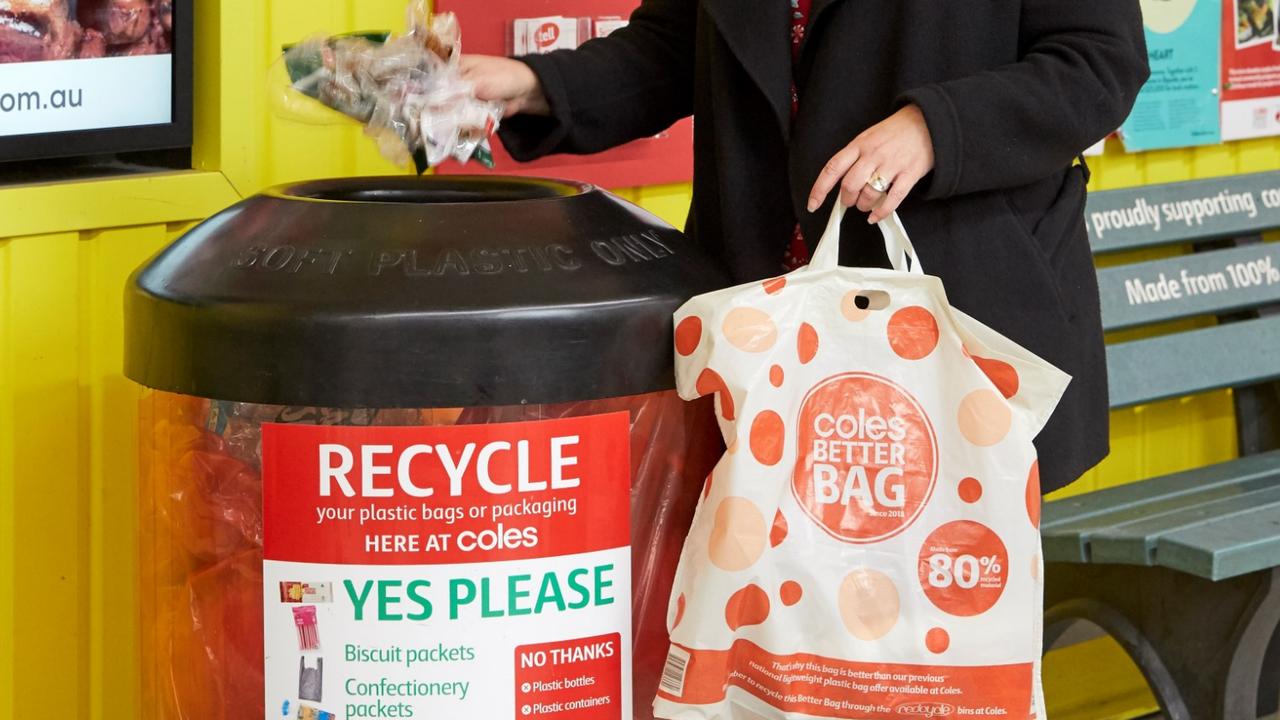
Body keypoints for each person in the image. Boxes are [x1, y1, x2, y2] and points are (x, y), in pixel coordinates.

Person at [462, 1, 1150, 494]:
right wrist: (530, 86)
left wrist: (935, 128)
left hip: (953, 314)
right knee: (773, 647)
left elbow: (1098, 63)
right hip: (766, 333)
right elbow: (673, 45)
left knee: (936, 655)